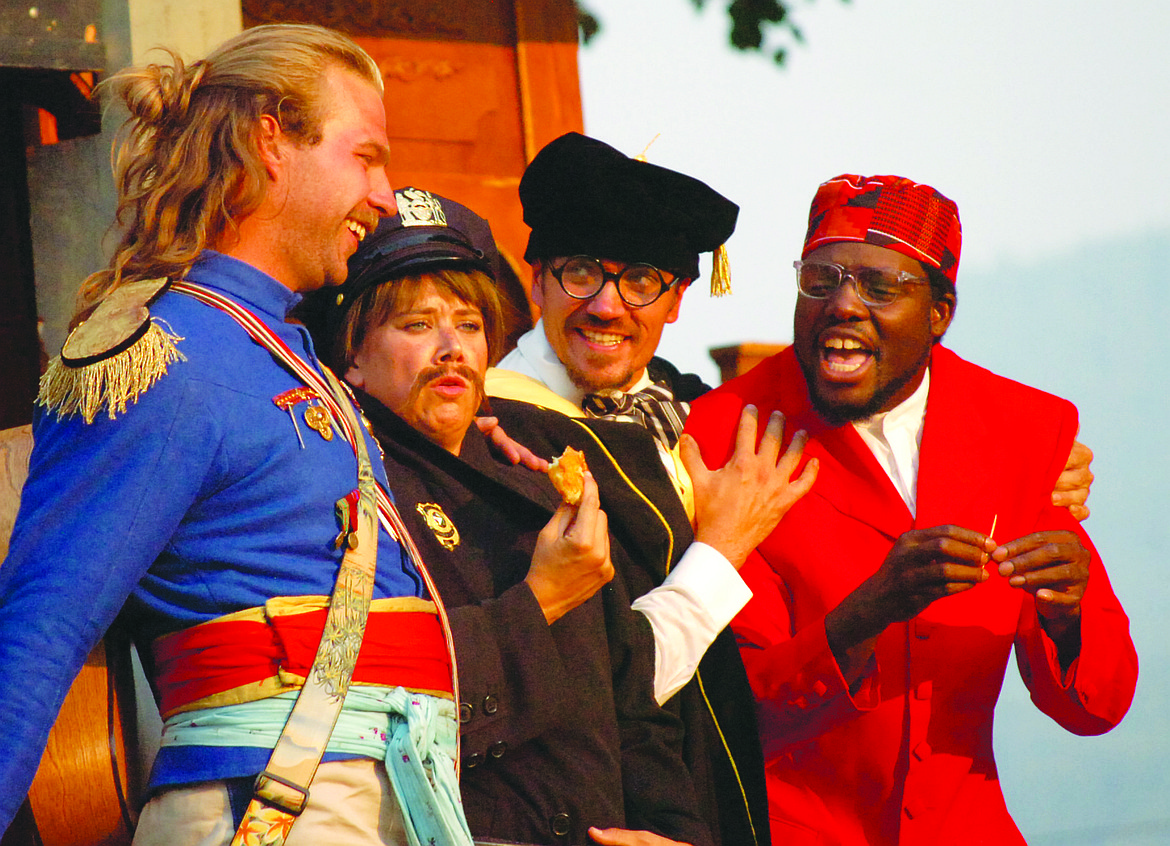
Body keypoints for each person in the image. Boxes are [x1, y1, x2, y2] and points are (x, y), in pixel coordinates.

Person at [486, 135, 1096, 846]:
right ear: (536, 279)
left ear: (678, 299)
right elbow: (622, 682)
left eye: (643, 280)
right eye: (580, 272)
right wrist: (733, 551)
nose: (607, 306)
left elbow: (1094, 699)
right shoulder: (498, 436)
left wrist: (1047, 484)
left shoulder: (688, 411)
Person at [0, 25, 471, 846]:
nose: (387, 196)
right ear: (270, 141)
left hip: (382, 797)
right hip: (273, 808)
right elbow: (42, 625)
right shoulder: (160, 359)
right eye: (366, 157)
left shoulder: (286, 355)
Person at [302, 187, 815, 845]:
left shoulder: (536, 473)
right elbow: (374, 708)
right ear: (353, 358)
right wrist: (540, 599)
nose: (451, 348)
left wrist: (675, 833)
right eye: (417, 324)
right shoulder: (344, 490)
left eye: (468, 323)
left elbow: (631, 706)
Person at [683, 173, 1139, 845]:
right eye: (820, 280)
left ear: (939, 313)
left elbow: (1096, 707)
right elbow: (732, 716)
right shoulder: (727, 432)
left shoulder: (1024, 428)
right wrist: (869, 611)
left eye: (879, 287)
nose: (842, 305)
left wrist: (1065, 615)